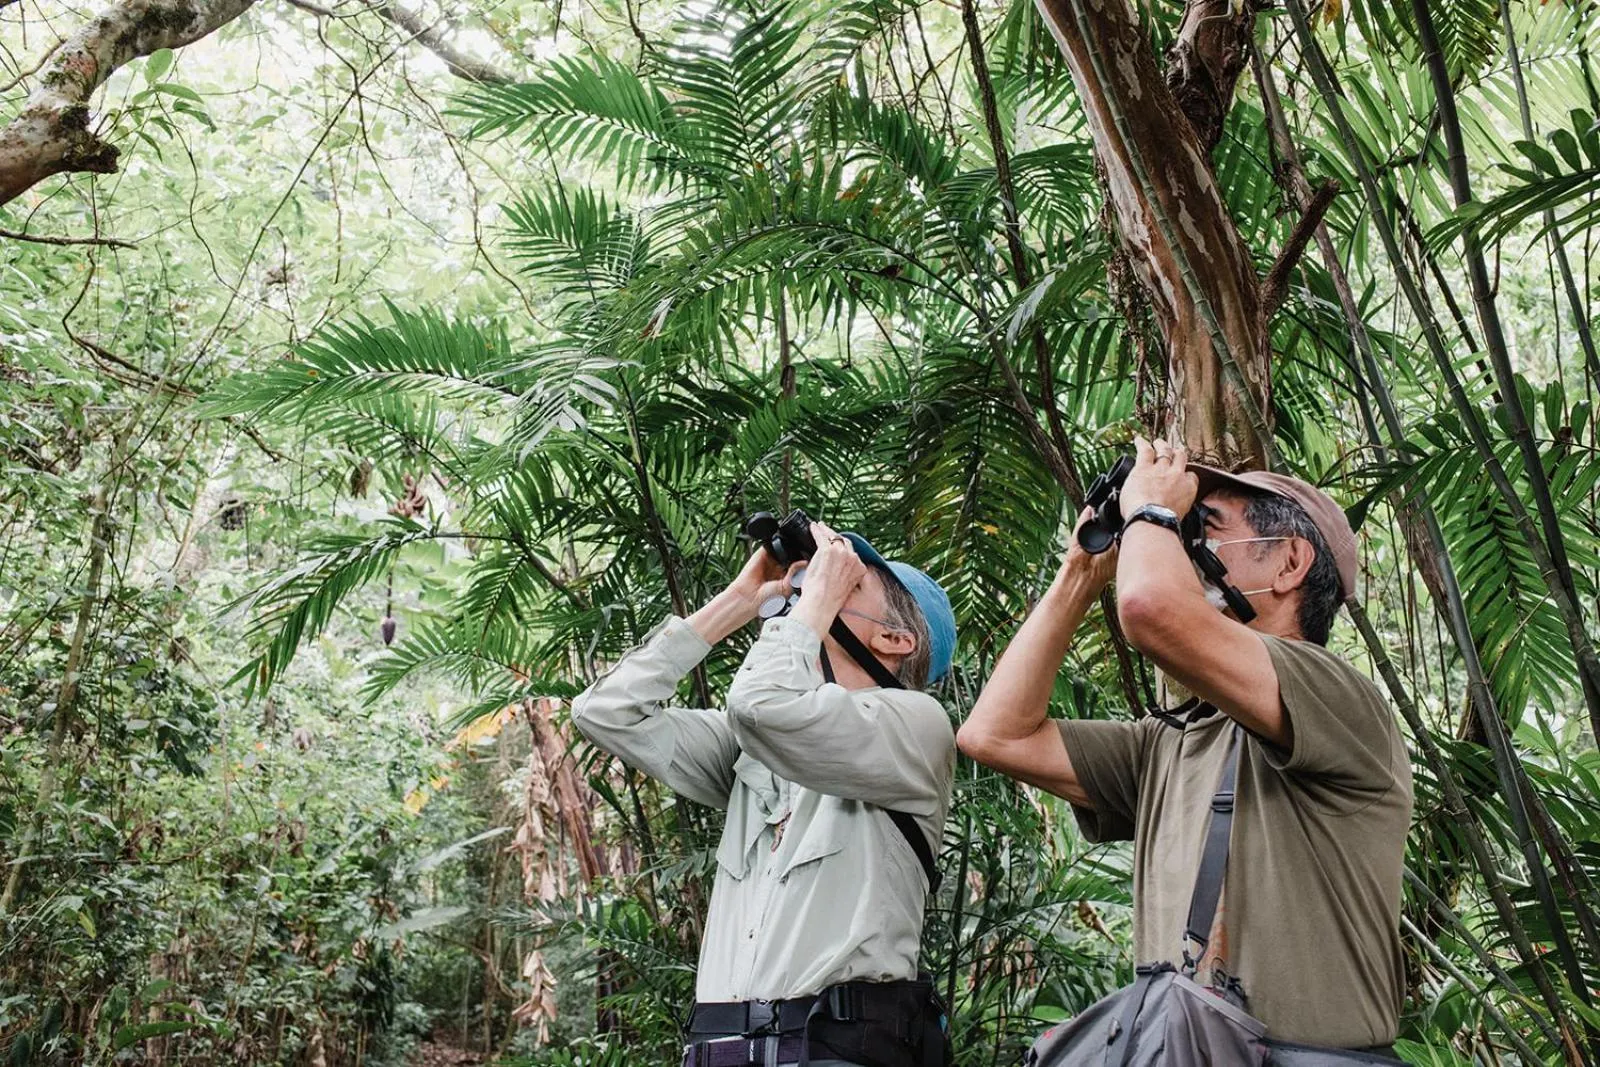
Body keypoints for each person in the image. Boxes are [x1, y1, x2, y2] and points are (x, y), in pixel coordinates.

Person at [957, 437, 1412, 1054]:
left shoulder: (1337, 697)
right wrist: (1081, 575)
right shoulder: (1170, 743)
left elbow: (1150, 610)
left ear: (1290, 564)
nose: (1185, 546)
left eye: (1206, 526)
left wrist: (1152, 513)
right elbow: (994, 734)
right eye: (1184, 525)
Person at [571, 521, 958, 1067]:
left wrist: (811, 606)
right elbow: (605, 712)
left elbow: (761, 707)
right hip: (722, 1050)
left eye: (848, 582)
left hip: (838, 1052)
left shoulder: (917, 727)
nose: (812, 584)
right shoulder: (753, 751)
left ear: (895, 639)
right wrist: (737, 601)